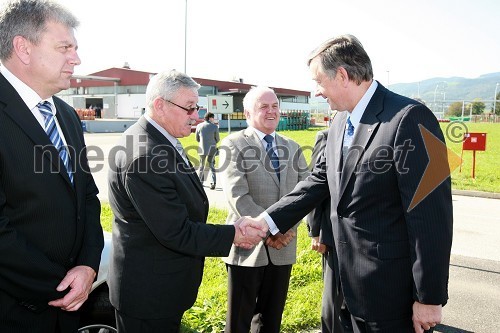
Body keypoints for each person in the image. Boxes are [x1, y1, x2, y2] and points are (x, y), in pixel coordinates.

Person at [240, 34, 453, 333]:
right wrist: (266, 222)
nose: (316, 92)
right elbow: (318, 181)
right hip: (347, 287)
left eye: (318, 81)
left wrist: (429, 297)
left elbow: (431, 217)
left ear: (342, 75)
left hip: (391, 295)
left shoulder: (409, 119)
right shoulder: (340, 123)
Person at [107, 70, 265, 333]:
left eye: (197, 107)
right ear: (160, 105)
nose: (197, 116)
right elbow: (175, 231)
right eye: (189, 108)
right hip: (149, 297)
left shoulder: (157, 140)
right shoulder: (145, 156)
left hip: (159, 289)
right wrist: (233, 234)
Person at [0, 1, 104, 332]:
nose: (76, 59)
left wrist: (88, 266)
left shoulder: (67, 116)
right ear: (23, 48)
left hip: (69, 310)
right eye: (65, 48)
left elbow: (86, 196)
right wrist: (61, 285)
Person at [219, 86, 309, 333]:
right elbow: (237, 196)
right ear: (248, 113)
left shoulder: (293, 147)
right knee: (238, 321)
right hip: (248, 248)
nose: (271, 111)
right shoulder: (233, 144)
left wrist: (284, 228)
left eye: (275, 106)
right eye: (264, 107)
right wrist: (270, 230)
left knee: (271, 321)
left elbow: (306, 194)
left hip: (283, 247)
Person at [305, 128, 352, 333]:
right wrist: (316, 231)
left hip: (363, 235)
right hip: (333, 233)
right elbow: (316, 187)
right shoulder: (326, 137)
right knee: (334, 299)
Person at [195, 111, 219, 190]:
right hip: (212, 149)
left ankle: (200, 183)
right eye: (213, 118)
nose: (214, 119)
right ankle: (213, 183)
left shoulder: (199, 126)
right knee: (211, 166)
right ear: (210, 118)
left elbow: (197, 139)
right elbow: (217, 139)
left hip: (202, 148)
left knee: (201, 166)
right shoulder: (214, 127)